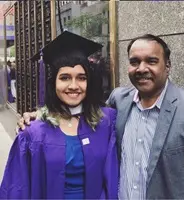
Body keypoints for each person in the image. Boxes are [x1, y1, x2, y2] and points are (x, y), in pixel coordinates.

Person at [17, 33, 184, 199]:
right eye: (134, 62)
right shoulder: (118, 103)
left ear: (167, 66)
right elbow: (76, 111)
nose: (142, 68)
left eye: (151, 61)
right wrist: (42, 114)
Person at [0, 31, 119, 199]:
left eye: (81, 78)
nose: (73, 85)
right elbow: (16, 188)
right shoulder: (32, 132)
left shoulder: (106, 122)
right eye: (64, 78)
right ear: (53, 83)